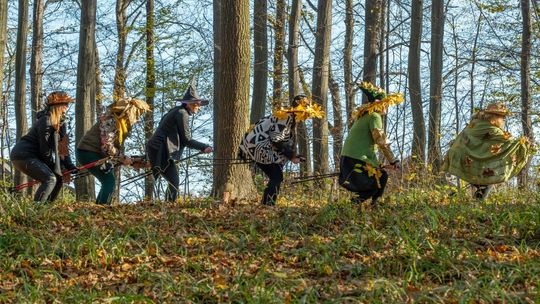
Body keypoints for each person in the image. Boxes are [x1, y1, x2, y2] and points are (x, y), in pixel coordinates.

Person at [239, 94, 324, 206]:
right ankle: (267, 205)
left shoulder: (286, 117)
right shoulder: (285, 118)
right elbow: (276, 140)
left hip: (254, 146)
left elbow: (278, 141)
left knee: (276, 175)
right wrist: (292, 156)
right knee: (277, 177)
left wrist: (293, 155)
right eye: (305, 113)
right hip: (258, 146)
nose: (305, 116)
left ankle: (267, 204)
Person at [442, 102, 533, 199]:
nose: (503, 119)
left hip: (458, 153)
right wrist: (524, 143)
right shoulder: (488, 127)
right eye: (501, 117)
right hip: (463, 155)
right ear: (494, 116)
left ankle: (468, 200)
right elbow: (506, 140)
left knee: (483, 182)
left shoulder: (477, 122)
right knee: (488, 181)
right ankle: (470, 201)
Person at [77, 97, 151, 205]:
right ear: (129, 112)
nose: (138, 118)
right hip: (88, 152)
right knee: (109, 181)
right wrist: (123, 158)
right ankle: (101, 210)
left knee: (107, 180)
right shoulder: (111, 121)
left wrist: (130, 159)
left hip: (94, 152)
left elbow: (112, 149)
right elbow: (107, 146)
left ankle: (99, 208)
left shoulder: (120, 124)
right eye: (138, 114)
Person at [339, 82, 403, 206]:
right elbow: (381, 141)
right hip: (356, 158)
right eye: (386, 103)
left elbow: (366, 146)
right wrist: (393, 161)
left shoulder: (364, 116)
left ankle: (372, 204)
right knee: (374, 184)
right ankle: (355, 205)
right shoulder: (374, 116)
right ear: (379, 104)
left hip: (349, 158)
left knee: (381, 176)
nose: (387, 107)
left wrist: (380, 165)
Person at [146, 84, 213, 202]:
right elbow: (186, 139)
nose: (198, 107)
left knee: (173, 181)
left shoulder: (177, 111)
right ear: (188, 103)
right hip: (160, 150)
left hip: (159, 149)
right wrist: (204, 147)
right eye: (196, 104)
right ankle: (168, 208)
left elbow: (181, 139)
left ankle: (168, 206)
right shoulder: (182, 113)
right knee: (174, 181)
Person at [10, 91, 78, 203]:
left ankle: (46, 210)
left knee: (59, 180)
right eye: (65, 103)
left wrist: (70, 165)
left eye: (68, 104)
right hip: (23, 155)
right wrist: (53, 166)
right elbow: (44, 149)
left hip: (35, 156)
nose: (67, 106)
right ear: (56, 106)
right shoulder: (46, 121)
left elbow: (63, 148)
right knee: (50, 179)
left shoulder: (61, 123)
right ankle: (36, 211)